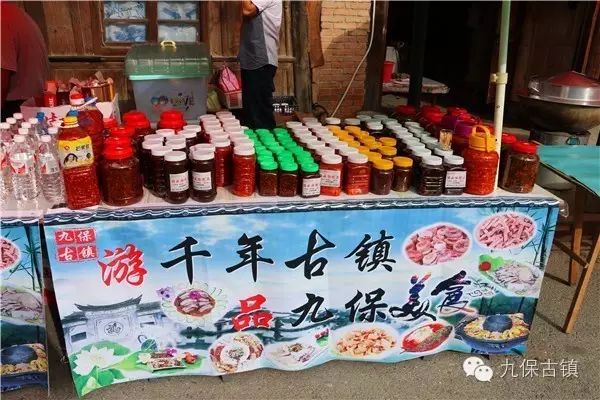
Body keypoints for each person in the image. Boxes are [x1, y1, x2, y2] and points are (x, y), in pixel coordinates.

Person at [1, 2, 49, 120]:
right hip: (28, 108)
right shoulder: (13, 13)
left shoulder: (4, 17)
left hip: (13, 112)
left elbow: (2, 77)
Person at [239, 0, 282, 130]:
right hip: (252, 57)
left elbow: (247, 10)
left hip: (261, 58)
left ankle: (268, 140)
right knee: (251, 113)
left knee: (261, 116)